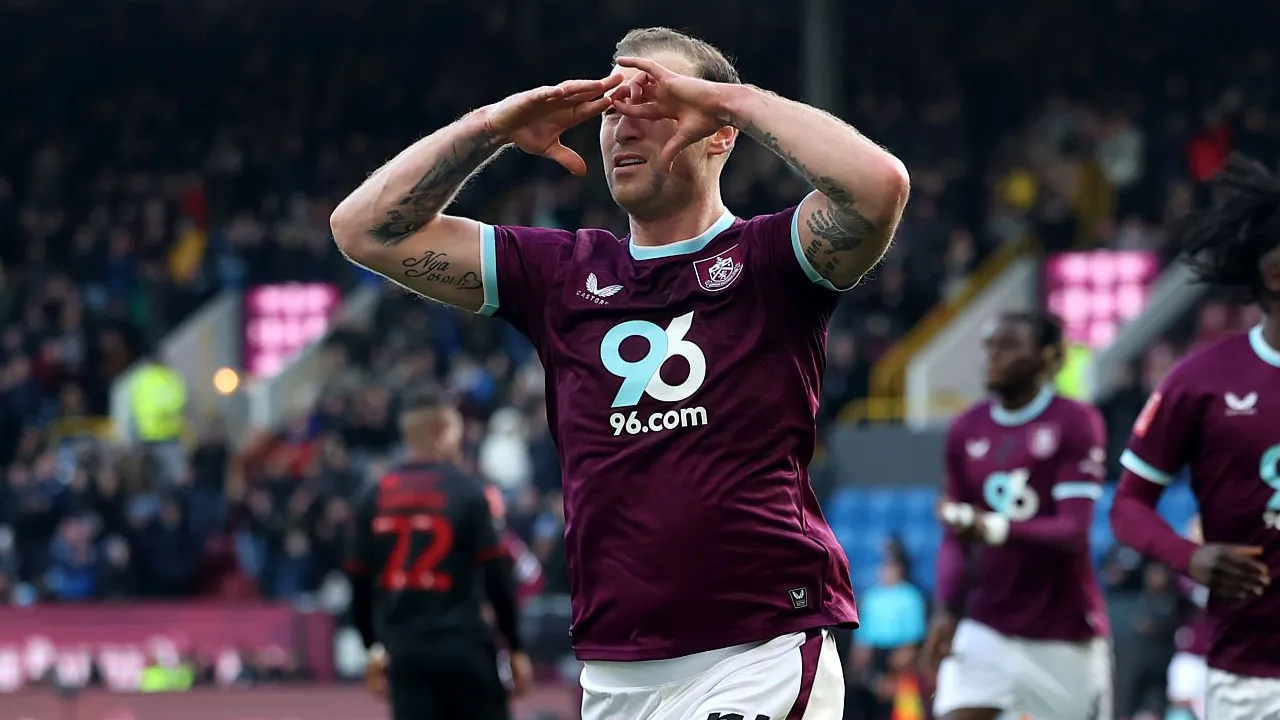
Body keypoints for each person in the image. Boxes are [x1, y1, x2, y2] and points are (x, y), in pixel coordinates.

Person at [331, 25, 910, 720]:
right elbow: (363, 229)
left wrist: (735, 100)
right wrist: (492, 126)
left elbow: (877, 187)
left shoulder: (770, 259)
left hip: (756, 653)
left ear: (718, 133)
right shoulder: (559, 274)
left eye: (655, 103)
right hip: (614, 672)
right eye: (611, 109)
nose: (623, 127)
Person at [1110, 153, 1279, 720]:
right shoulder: (1202, 380)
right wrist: (1191, 557)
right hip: (1251, 676)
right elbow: (1128, 506)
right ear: (1274, 274)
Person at [923, 312, 1112, 720]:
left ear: (1049, 358)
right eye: (989, 346)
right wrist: (945, 611)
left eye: (1008, 346)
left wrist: (993, 527)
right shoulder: (965, 428)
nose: (993, 356)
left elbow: (1073, 530)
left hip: (1063, 630)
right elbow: (956, 537)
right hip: (986, 623)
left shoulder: (1075, 422)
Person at [344, 387, 532, 720]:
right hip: (464, 644)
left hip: (406, 652)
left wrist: (372, 648)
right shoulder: (468, 492)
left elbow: (358, 583)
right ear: (444, 432)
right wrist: (515, 646)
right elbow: (496, 578)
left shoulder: (372, 497)